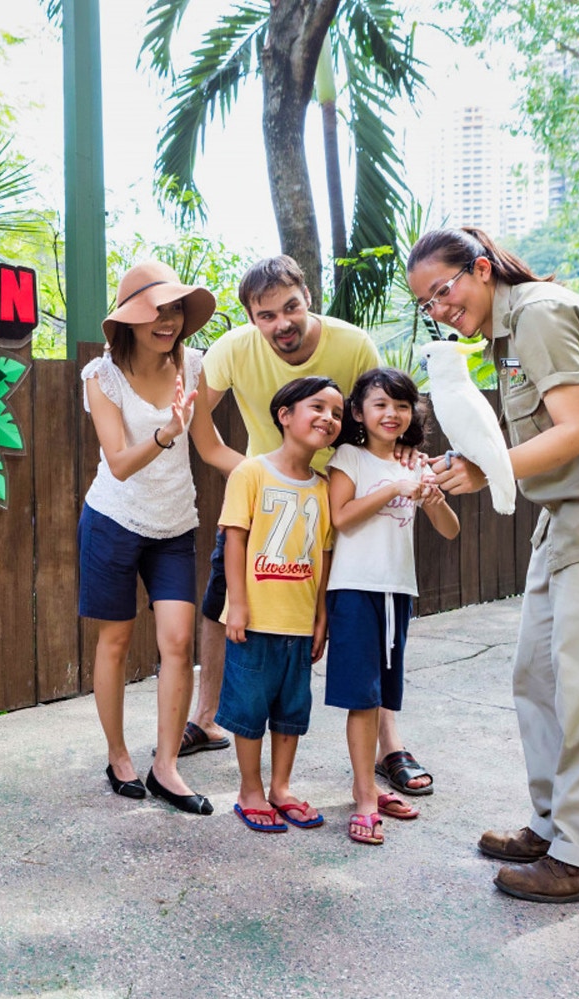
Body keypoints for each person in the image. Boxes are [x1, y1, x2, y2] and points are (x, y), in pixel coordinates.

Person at [407, 226, 579, 902]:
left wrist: (486, 468)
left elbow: (577, 428)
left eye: (444, 291)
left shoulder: (537, 315)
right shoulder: (503, 337)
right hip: (569, 515)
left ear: (481, 270)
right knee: (536, 673)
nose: (441, 310)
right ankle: (554, 825)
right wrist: (471, 460)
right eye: (428, 305)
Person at [188, 255, 437, 796]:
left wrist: (399, 471)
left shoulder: (351, 344)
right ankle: (204, 719)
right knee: (221, 603)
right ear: (252, 317)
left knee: (368, 617)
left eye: (291, 306)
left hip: (344, 501)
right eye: (266, 314)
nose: (282, 322)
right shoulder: (232, 348)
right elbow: (198, 419)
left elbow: (388, 411)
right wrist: (263, 476)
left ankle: (387, 746)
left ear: (308, 296)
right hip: (266, 502)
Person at [79, 259, 216, 815]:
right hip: (112, 520)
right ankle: (118, 756)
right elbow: (117, 464)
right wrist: (165, 431)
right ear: (130, 321)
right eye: (155, 311)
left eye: (176, 309)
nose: (168, 320)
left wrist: (277, 472)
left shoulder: (196, 367)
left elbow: (210, 449)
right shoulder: (101, 376)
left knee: (179, 643)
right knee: (114, 642)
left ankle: (166, 766)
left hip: (174, 524)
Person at [325, 368, 461, 845]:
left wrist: (431, 495)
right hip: (355, 589)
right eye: (380, 404)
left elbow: (449, 530)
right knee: (361, 700)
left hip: (397, 592)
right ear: (359, 412)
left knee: (382, 694)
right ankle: (364, 796)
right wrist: (392, 489)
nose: (392, 413)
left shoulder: (414, 463)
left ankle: (368, 786)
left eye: (402, 405)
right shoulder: (349, 457)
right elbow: (340, 518)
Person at [215, 377, 342, 833]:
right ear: (285, 415)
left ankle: (280, 787)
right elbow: (234, 538)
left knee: (292, 710)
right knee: (249, 710)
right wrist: (240, 604)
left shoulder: (326, 487)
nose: (328, 418)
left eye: (337, 413)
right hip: (255, 620)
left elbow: (324, 552)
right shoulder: (251, 472)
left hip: (300, 622)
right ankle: (249, 789)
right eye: (317, 407)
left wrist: (321, 617)